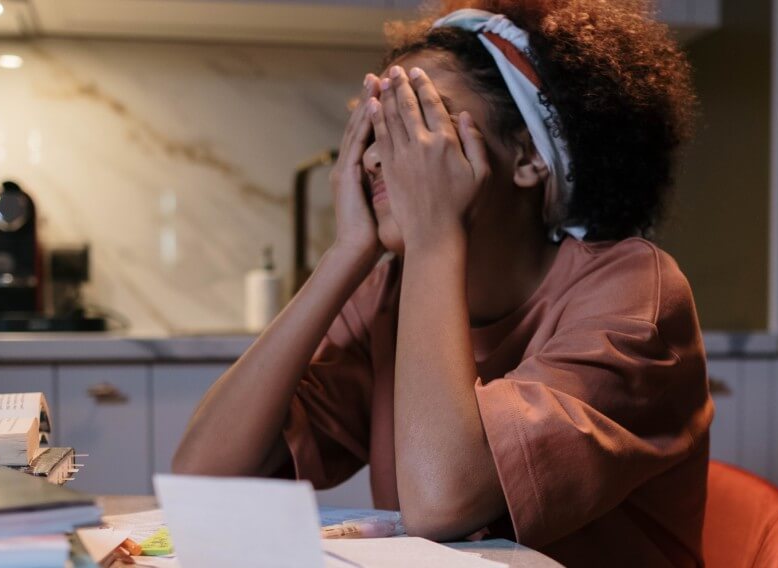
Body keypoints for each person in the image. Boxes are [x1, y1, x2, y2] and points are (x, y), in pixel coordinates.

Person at [173, 1, 714, 565]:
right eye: (379, 128)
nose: (380, 157)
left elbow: (443, 501)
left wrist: (434, 236)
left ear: (527, 155)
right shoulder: (386, 296)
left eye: (421, 123)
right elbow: (203, 476)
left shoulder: (635, 290)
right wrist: (346, 252)